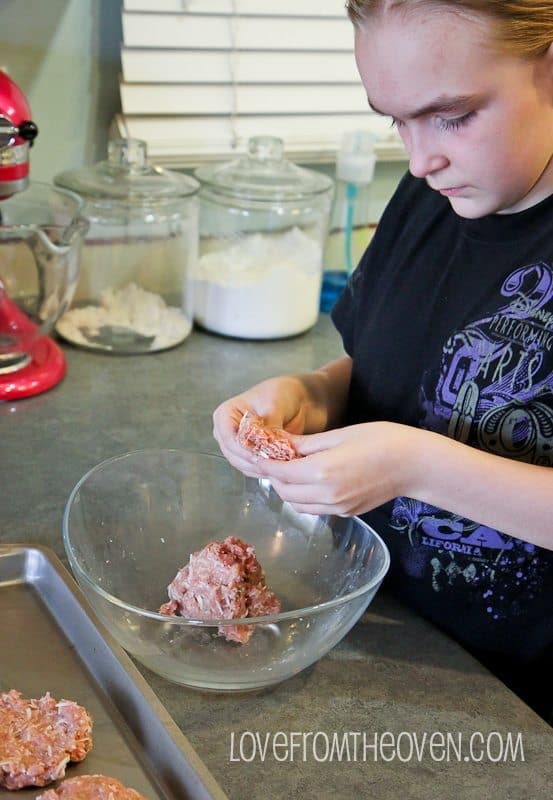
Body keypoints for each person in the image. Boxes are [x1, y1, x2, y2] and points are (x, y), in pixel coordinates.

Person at [213, 0, 553, 723]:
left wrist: (416, 467)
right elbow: (400, 378)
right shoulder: (432, 193)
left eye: (451, 115)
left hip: (519, 703)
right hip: (392, 637)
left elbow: (420, 443)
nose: (419, 157)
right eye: (392, 120)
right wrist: (304, 394)